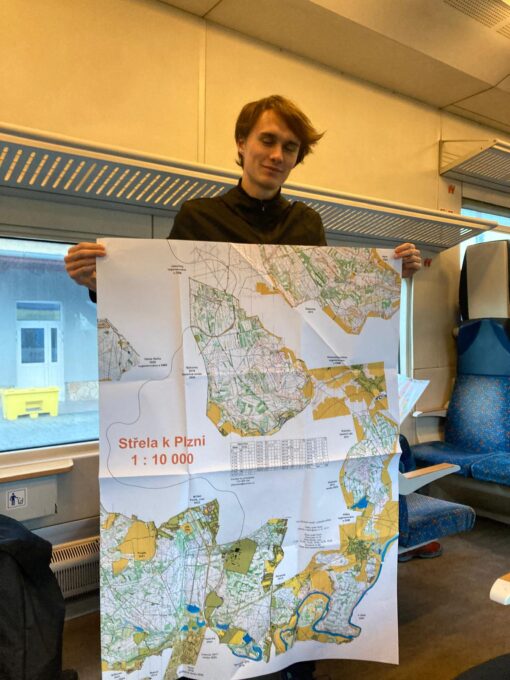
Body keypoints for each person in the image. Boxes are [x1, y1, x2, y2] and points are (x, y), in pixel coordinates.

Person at [65, 95, 421, 680]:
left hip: (290, 415)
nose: (277, 155)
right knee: (229, 552)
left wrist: (389, 276)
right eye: (267, 140)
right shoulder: (197, 218)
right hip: (220, 422)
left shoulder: (307, 226)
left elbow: (321, 320)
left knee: (294, 546)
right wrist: (99, 283)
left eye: (290, 148)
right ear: (241, 144)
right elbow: (163, 304)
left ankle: (294, 661)